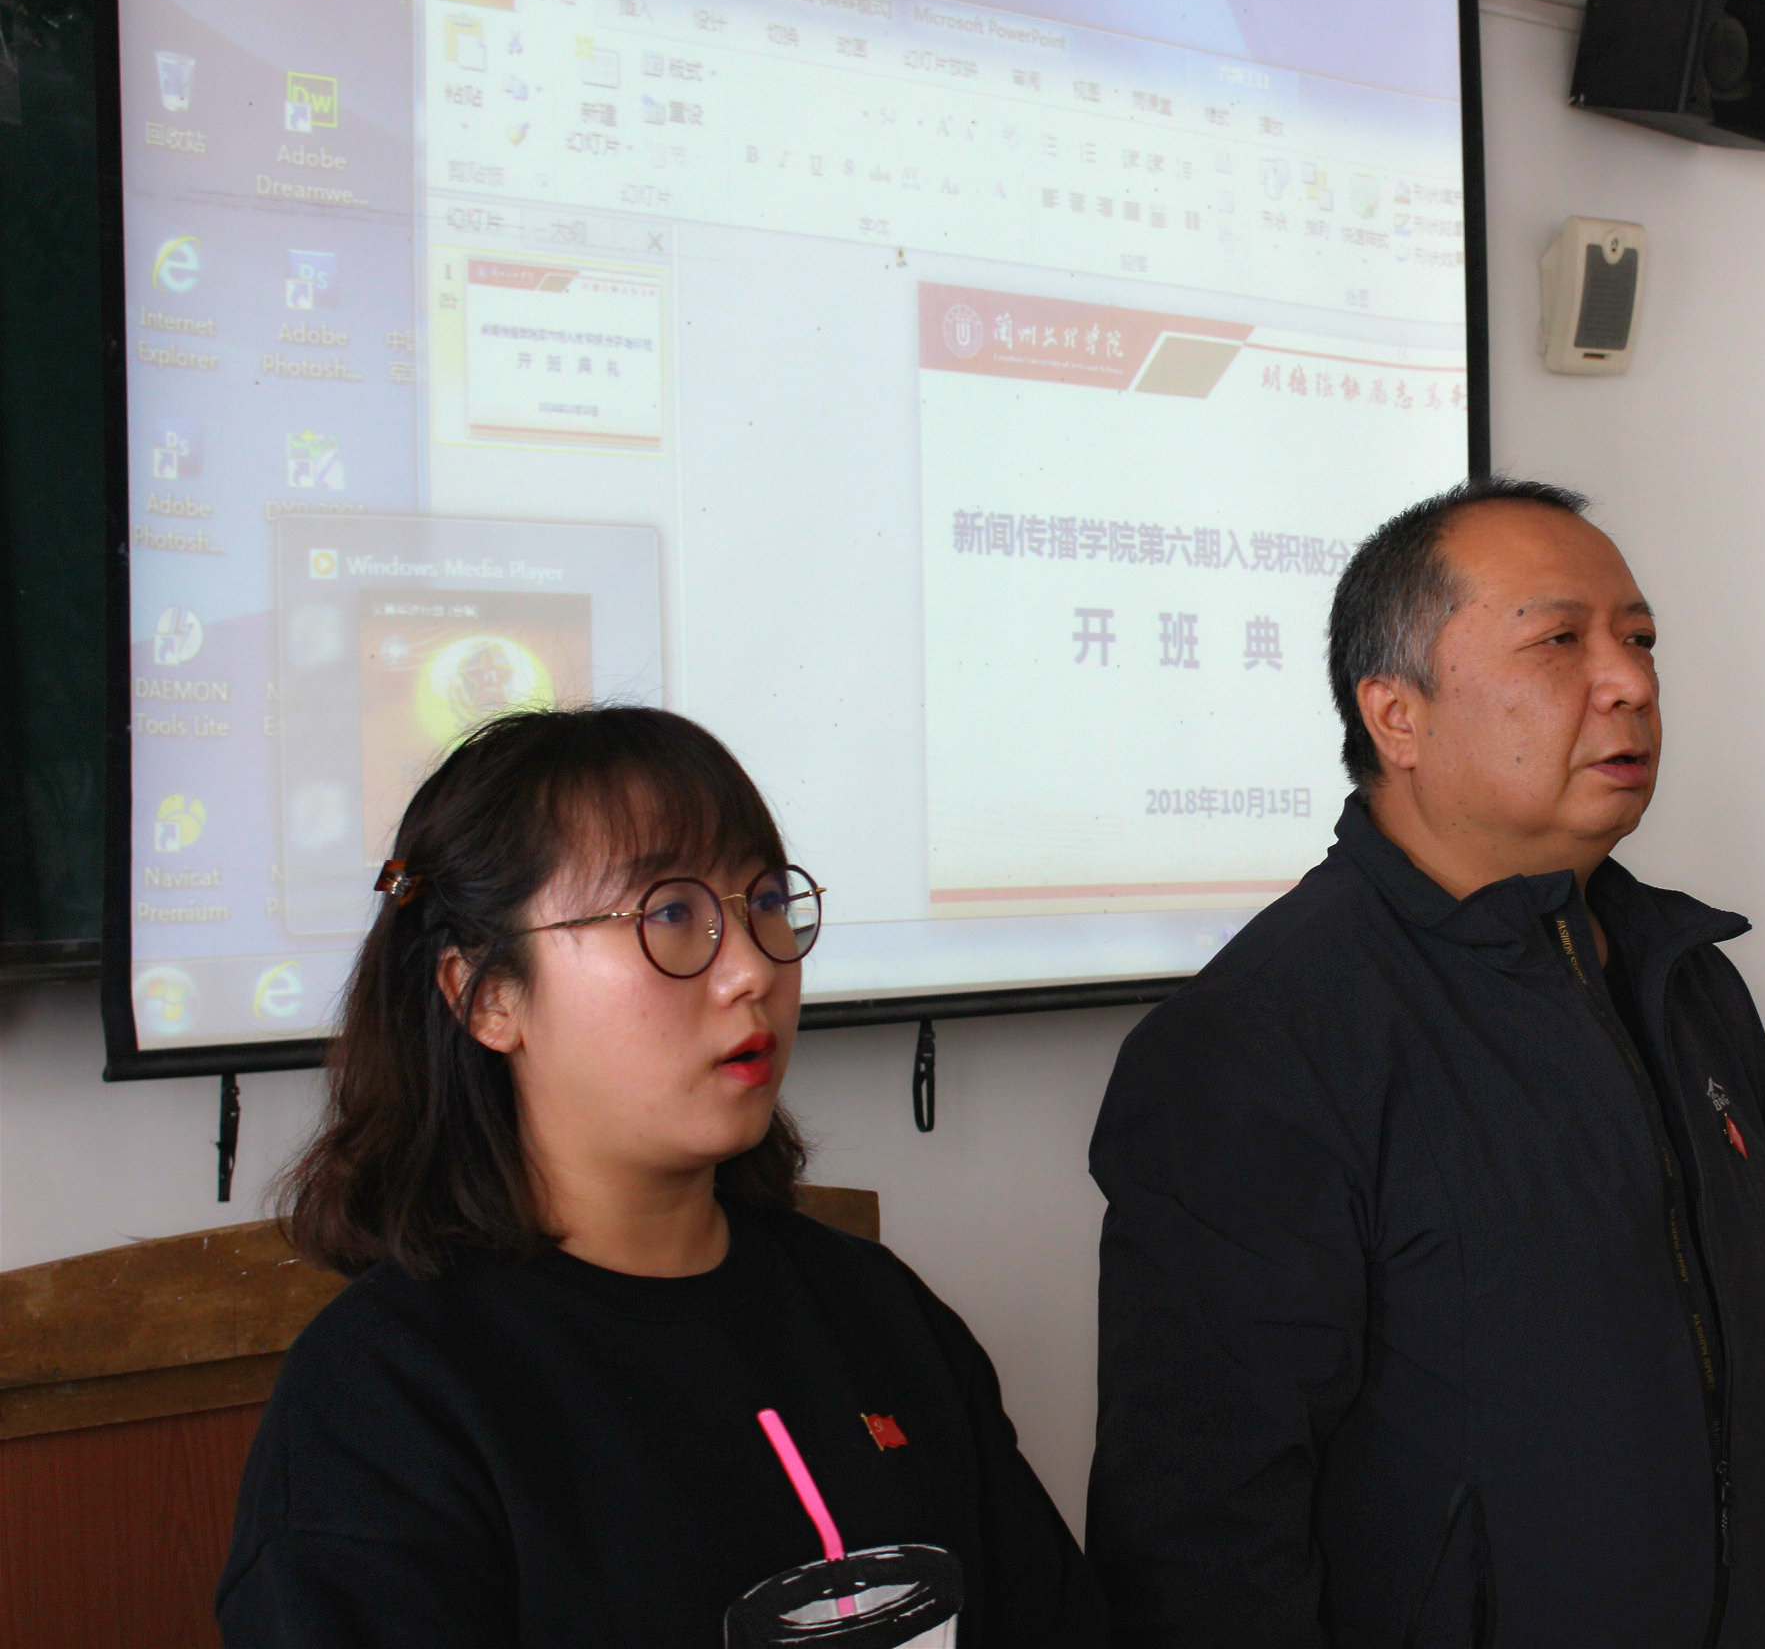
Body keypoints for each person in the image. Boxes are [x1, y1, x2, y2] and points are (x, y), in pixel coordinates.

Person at [1087, 480, 1765, 1649]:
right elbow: (1202, 1534)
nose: (1629, 682)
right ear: (1398, 717)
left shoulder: (1687, 983)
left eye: (1639, 639)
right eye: (1559, 642)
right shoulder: (1261, 1044)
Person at [218, 705, 1103, 1649]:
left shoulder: (876, 1307)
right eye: (671, 914)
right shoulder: (385, 1399)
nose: (750, 971)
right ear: (487, 996)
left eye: (766, 902)